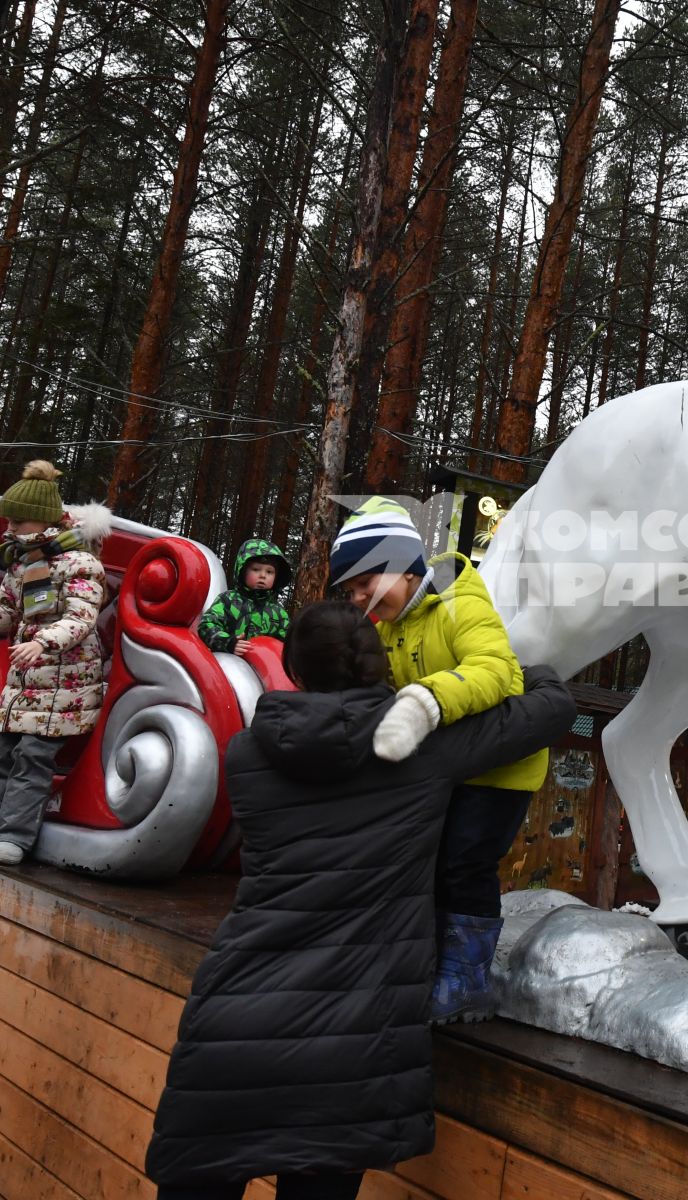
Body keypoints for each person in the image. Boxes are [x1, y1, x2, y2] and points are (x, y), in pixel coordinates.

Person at [146, 602, 575, 1199]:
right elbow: (552, 710)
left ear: (294, 669)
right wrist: (519, 667)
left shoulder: (247, 754)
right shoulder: (425, 751)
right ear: (381, 665)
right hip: (354, 1039)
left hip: (235, 1021)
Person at [328, 496, 551, 1024]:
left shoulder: (459, 601)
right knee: (427, 858)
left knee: (466, 861)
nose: (359, 598)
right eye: (351, 591)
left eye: (366, 582)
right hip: (449, 765)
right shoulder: (388, 627)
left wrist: (424, 699)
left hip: (501, 766)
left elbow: (494, 670)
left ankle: (467, 979)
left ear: (404, 567)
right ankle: (426, 962)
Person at [0, 461, 108, 867]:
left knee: (33, 758)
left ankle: (13, 837)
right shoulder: (23, 563)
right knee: (1, 756)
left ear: (44, 520)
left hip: (65, 683)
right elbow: (8, 611)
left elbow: (80, 618)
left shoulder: (80, 563)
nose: (11, 528)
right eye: (9, 520)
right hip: (26, 680)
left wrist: (44, 643)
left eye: (20, 521)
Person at [195, 538, 292, 653]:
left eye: (269, 572)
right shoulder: (227, 600)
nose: (262, 575)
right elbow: (207, 625)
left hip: (263, 667)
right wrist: (228, 642)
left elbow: (289, 644)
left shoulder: (278, 612)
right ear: (242, 570)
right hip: (228, 664)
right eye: (256, 569)